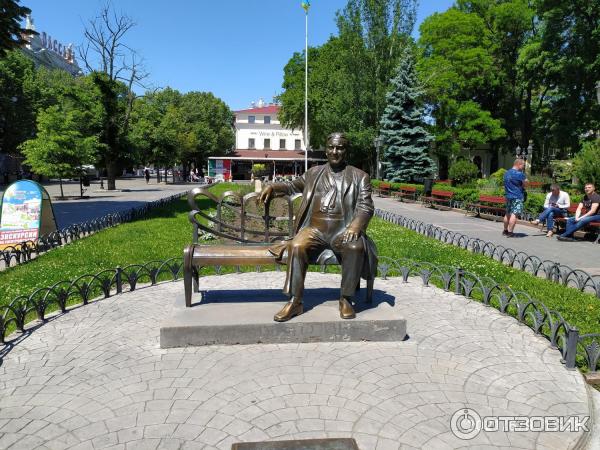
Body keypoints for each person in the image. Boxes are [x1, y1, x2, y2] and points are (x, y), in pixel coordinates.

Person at [259, 132, 378, 322]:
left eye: (339, 148)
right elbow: (291, 186)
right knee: (297, 246)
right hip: (314, 229)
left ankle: (346, 299)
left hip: (343, 229)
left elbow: (366, 206)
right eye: (331, 147)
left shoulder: (359, 176)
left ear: (346, 151)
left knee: (355, 247)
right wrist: (273, 187)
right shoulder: (314, 173)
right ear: (326, 149)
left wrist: (355, 227)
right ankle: (295, 301)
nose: (335, 151)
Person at [503, 159, 527, 237]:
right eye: (523, 165)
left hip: (508, 196)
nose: (523, 167)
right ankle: (510, 232)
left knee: (507, 213)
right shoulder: (520, 174)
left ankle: (505, 230)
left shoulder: (506, 173)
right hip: (517, 196)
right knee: (514, 214)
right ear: (519, 164)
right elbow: (525, 184)